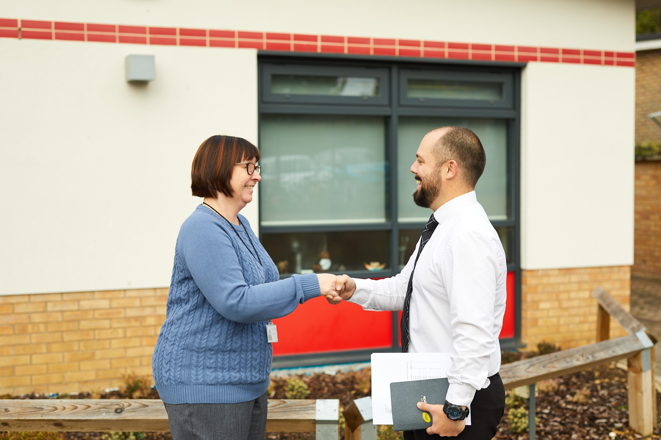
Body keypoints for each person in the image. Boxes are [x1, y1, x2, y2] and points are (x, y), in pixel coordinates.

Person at [152, 135, 340, 440]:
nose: (257, 175)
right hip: (208, 385)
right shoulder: (202, 228)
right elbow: (236, 301)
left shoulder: (239, 225)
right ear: (219, 169)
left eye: (258, 166)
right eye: (248, 167)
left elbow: (262, 289)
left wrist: (321, 287)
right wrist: (312, 283)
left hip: (243, 381)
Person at [332, 127, 507, 439]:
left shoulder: (467, 236)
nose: (413, 169)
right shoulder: (443, 227)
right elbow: (406, 290)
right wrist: (354, 289)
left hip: (456, 405)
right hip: (431, 393)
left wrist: (456, 409)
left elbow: (475, 334)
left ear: (449, 169)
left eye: (420, 161)